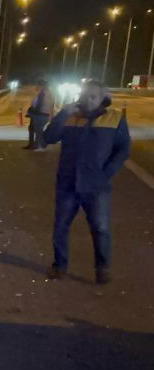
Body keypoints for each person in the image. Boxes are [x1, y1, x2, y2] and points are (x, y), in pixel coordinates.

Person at [42, 80, 130, 284]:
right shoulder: (70, 116)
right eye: (85, 96)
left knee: (100, 229)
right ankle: (60, 265)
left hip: (97, 187)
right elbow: (48, 137)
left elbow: (122, 149)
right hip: (67, 183)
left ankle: (102, 268)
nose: (88, 101)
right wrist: (63, 113)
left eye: (93, 96)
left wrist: (105, 173)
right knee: (61, 226)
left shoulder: (114, 118)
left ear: (102, 98)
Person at [25, 78, 56, 150]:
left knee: (38, 131)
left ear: (42, 85)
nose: (37, 86)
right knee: (32, 129)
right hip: (38, 114)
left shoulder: (44, 93)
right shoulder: (43, 93)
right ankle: (33, 144)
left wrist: (33, 111)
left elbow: (39, 105)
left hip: (40, 114)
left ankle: (38, 145)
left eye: (38, 84)